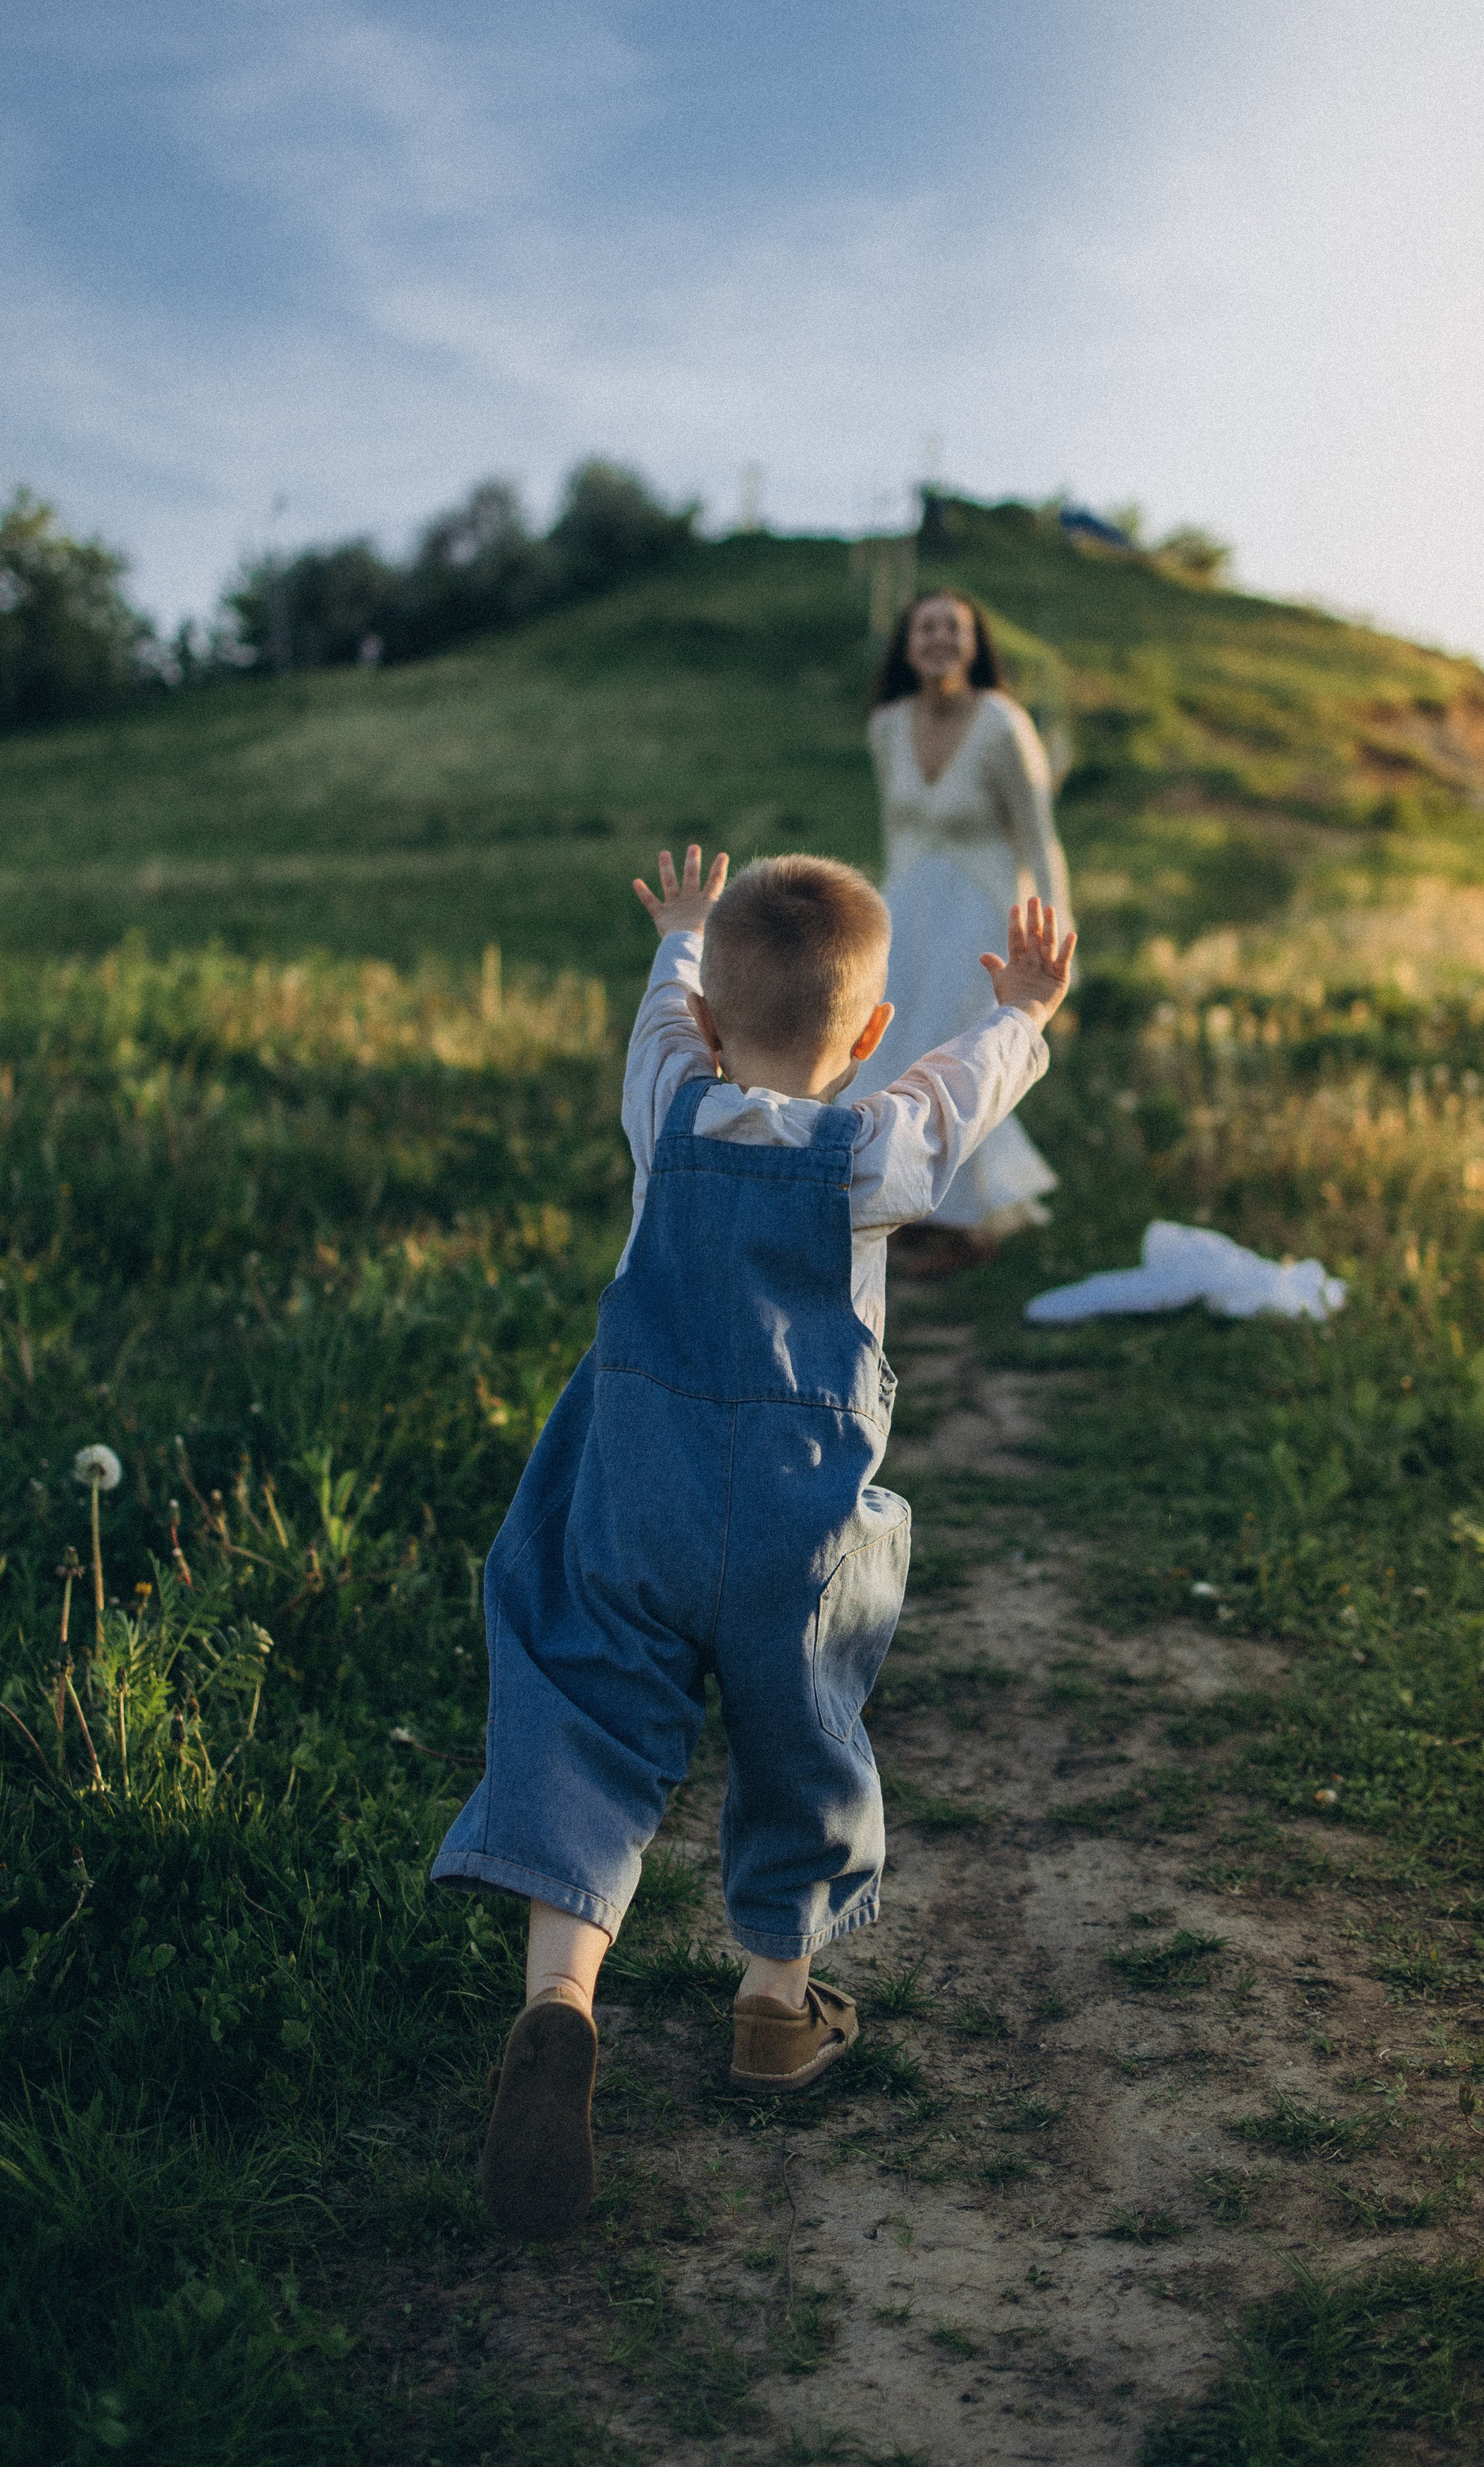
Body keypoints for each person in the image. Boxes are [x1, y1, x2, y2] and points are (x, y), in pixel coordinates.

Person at [432, 845, 1076, 2238]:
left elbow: (660, 1019)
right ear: (868, 1038)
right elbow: (958, 1093)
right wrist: (1020, 1011)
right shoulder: (875, 1149)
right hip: (793, 1519)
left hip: (634, 1492)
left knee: (584, 1705)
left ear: (712, 1027)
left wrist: (677, 936)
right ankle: (774, 2012)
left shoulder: (666, 1101)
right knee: (801, 1730)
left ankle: (560, 1998)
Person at [852, 589, 1073, 1267]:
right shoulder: (886, 726)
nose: (941, 639)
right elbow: (896, 832)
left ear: (975, 645)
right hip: (906, 908)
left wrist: (1062, 947)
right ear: (909, 644)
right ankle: (896, 1204)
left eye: (955, 628)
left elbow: (1040, 838)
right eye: (927, 628)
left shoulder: (1004, 723)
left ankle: (969, 1221)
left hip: (984, 910)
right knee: (882, 1053)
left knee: (958, 1055)